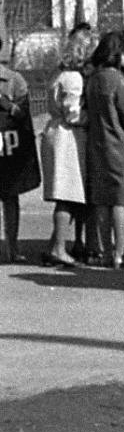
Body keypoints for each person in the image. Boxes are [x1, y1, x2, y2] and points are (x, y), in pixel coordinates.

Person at [84, 31, 124, 269]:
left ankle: (107, 252)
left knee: (102, 201)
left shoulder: (93, 79)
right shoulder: (118, 81)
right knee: (121, 202)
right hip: (122, 145)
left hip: (98, 144)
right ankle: (121, 252)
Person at [40, 30, 95, 269]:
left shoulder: (59, 74)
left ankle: (56, 243)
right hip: (68, 138)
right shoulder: (74, 78)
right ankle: (58, 248)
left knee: (68, 194)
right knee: (67, 195)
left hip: (57, 133)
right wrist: (92, 117)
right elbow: (73, 113)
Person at [0, 34, 40, 263]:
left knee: (10, 197)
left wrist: (4, 101)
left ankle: (12, 247)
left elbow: (23, 114)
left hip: (8, 147)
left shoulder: (14, 79)